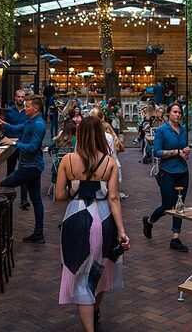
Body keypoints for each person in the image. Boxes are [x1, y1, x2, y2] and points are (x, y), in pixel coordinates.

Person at [56, 116, 129, 331]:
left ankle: (89, 327)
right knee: (100, 267)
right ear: (100, 135)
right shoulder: (109, 163)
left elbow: (59, 195)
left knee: (79, 272)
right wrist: (122, 231)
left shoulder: (68, 160)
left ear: (80, 135)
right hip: (104, 218)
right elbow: (114, 198)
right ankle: (94, 307)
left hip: (76, 218)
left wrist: (74, 187)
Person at [0, 94, 46, 243]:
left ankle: (2, 226)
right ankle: (39, 234)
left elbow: (32, 147)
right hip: (31, 166)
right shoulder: (30, 121)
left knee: (2, 187)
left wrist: (14, 144)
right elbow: (18, 128)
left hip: (31, 167)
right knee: (36, 200)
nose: (25, 108)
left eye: (28, 106)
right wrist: (3, 123)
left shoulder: (38, 124)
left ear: (35, 108)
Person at [142, 103, 191, 252]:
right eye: (175, 112)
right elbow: (156, 152)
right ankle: (149, 221)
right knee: (167, 205)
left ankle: (175, 238)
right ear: (169, 114)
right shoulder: (162, 130)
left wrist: (185, 151)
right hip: (167, 171)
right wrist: (176, 152)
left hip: (182, 170)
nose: (178, 114)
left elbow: (184, 146)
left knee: (180, 205)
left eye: (179, 112)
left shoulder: (183, 130)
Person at [3, 89, 31, 209]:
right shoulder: (9, 111)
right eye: (18, 96)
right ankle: (7, 197)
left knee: (23, 171)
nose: (20, 98)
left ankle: (24, 199)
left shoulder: (27, 112)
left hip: (23, 144)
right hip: (12, 144)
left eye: (22, 97)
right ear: (15, 97)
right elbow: (6, 127)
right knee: (10, 170)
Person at [90, 108, 125, 199]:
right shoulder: (108, 136)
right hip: (107, 166)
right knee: (111, 195)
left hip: (91, 167)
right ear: (102, 118)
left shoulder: (86, 135)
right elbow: (111, 154)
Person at [47, 120, 77, 199]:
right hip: (72, 168)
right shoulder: (76, 140)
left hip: (57, 167)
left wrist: (54, 155)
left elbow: (50, 148)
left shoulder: (60, 139)